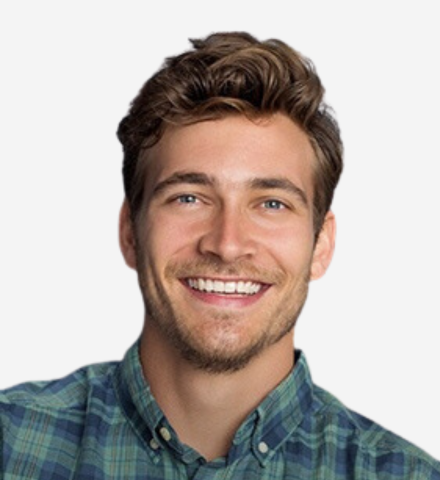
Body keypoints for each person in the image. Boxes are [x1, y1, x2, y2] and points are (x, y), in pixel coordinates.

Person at [0, 31, 439, 479]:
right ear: (130, 231)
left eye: (271, 203)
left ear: (321, 245)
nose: (227, 244)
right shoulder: (10, 445)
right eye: (189, 198)